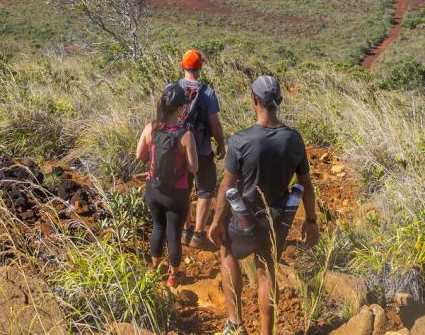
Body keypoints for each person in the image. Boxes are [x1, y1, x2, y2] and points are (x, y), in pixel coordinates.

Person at [209, 75, 320, 335]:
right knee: (267, 272)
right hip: (277, 220)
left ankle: (235, 324)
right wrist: (311, 220)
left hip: (243, 220)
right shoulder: (294, 139)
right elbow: (306, 183)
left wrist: (216, 221)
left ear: (254, 100)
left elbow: (226, 185)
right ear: (279, 101)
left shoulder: (240, 140)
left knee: (227, 251)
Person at [136, 83, 198, 288]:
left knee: (158, 227)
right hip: (176, 193)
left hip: (153, 189)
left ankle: (154, 268)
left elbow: (139, 155)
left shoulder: (151, 128)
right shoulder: (186, 135)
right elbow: (193, 167)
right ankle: (173, 276)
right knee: (174, 234)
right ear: (180, 108)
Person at [178, 48, 226, 249]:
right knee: (205, 189)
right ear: (200, 68)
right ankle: (198, 233)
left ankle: (184, 230)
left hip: (178, 149)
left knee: (183, 188)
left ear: (183, 66)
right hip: (202, 150)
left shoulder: (172, 89)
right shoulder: (207, 93)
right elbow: (214, 124)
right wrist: (221, 143)